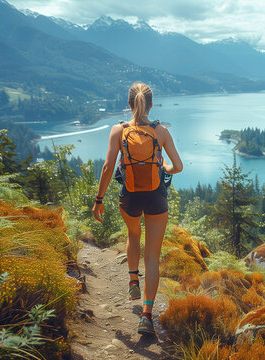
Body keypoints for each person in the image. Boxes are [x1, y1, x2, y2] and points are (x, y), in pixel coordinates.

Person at [92, 82, 183, 335]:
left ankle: (133, 279)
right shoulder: (161, 131)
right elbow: (178, 166)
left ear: (130, 103)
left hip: (129, 198)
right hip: (156, 197)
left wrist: (98, 200)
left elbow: (108, 168)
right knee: (152, 257)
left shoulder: (117, 131)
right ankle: (146, 315)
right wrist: (163, 168)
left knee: (133, 235)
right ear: (150, 105)